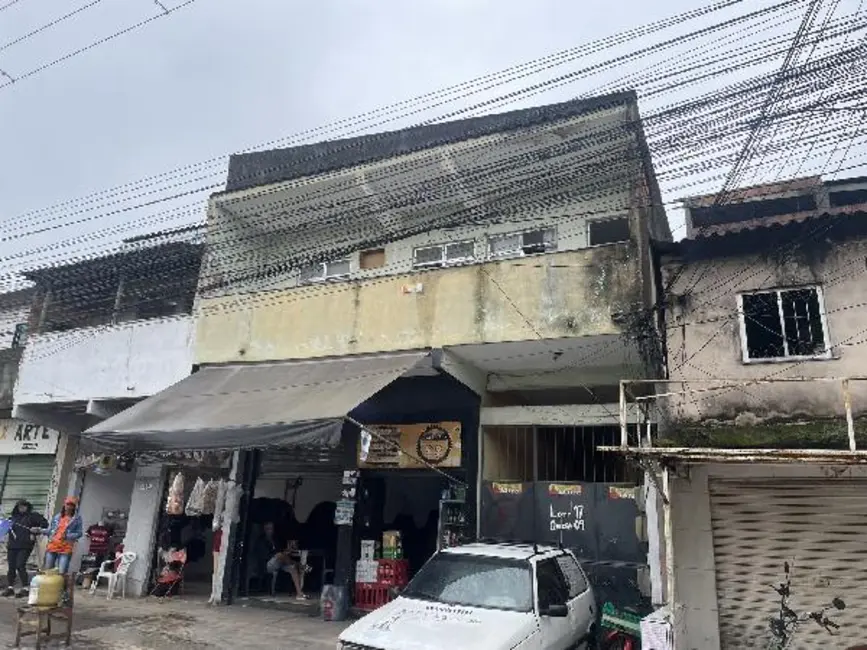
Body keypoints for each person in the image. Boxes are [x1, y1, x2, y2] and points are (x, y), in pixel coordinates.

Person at [254, 522, 307, 600]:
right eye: (268, 529)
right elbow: (265, 556)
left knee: (292, 568)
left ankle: (299, 593)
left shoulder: (275, 539)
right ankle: (300, 565)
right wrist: (279, 555)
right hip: (267, 564)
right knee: (280, 555)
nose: (270, 531)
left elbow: (280, 551)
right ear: (264, 530)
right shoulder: (261, 540)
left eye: (271, 529)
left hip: (279, 561)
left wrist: (286, 552)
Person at [5, 500, 47, 597]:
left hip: (25, 545)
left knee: (20, 565)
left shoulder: (33, 516)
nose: (22, 508)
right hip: (12, 546)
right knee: (11, 567)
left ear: (28, 507)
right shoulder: (13, 518)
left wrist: (36, 530)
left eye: (24, 506)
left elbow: (45, 524)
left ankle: (25, 588)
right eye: (20, 506)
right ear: (17, 507)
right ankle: (10, 587)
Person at [32, 496, 83, 574]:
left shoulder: (76, 519)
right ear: (64, 505)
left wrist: (67, 536)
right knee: (48, 571)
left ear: (74, 507)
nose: (69, 507)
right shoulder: (57, 517)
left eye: (71, 505)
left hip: (66, 548)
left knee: (61, 572)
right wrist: (39, 530)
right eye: (67, 504)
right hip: (53, 546)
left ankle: (60, 585)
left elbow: (79, 533)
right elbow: (50, 531)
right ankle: (48, 586)